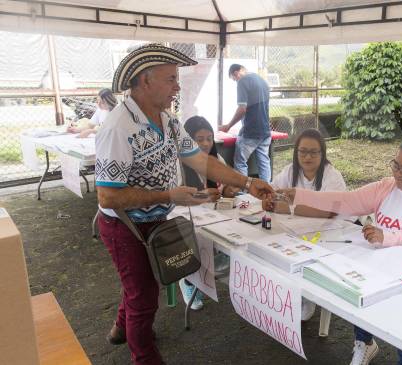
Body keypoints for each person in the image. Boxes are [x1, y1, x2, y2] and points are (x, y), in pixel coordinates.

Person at [96, 44, 273, 365]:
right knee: (144, 299)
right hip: (124, 226)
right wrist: (168, 196)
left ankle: (121, 329)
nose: (177, 86)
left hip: (154, 220)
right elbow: (107, 196)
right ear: (145, 81)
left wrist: (247, 182)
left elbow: (202, 162)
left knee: (138, 284)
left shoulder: (168, 121)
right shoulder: (118, 128)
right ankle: (144, 356)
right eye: (171, 79)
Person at [268, 139, 402, 365]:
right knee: (356, 280)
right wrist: (297, 195)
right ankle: (364, 342)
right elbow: (345, 202)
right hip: (386, 263)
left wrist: (389, 237)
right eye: (395, 165)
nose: (398, 174)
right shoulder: (386, 187)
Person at [265, 128, 346, 321]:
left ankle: (305, 295)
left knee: (303, 254)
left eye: (313, 152)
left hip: (329, 234)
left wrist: (290, 208)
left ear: (322, 153)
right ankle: (288, 294)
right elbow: (272, 197)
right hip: (296, 229)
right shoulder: (290, 171)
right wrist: (269, 201)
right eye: (302, 151)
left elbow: (328, 212)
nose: (307, 157)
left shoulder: (331, 176)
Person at [178, 115, 237, 311]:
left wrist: (228, 189)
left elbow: (226, 186)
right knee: (196, 239)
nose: (205, 144)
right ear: (187, 141)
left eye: (209, 138)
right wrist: (202, 197)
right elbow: (174, 202)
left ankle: (215, 263)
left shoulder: (215, 159)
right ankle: (188, 280)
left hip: (214, 217)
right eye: (199, 139)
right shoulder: (178, 165)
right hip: (186, 220)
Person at [219, 64, 272, 182]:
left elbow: (242, 109)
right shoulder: (262, 80)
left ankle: (242, 193)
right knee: (264, 162)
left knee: (240, 162)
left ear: (236, 73)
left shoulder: (243, 81)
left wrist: (228, 126)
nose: (236, 80)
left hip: (251, 132)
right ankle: (267, 190)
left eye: (234, 78)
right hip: (265, 131)